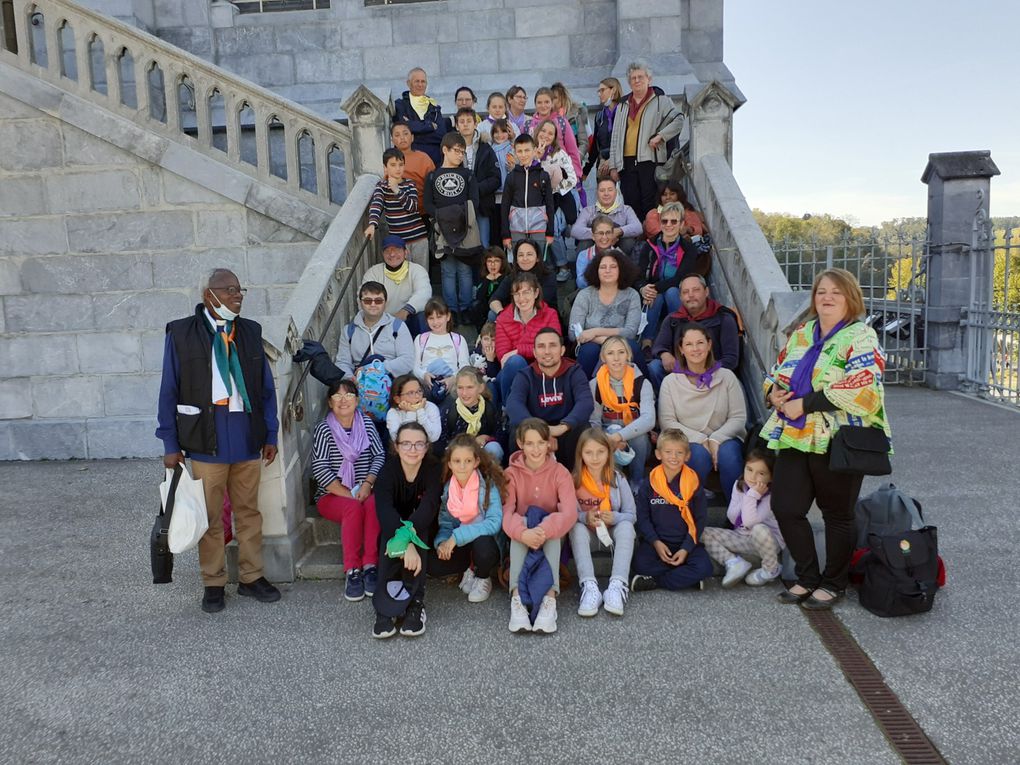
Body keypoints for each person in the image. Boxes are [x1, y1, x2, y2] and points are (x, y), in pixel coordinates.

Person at [763, 268, 890, 611]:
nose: (827, 298)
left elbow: (864, 388)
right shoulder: (802, 334)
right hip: (795, 433)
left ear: (851, 298)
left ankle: (834, 582)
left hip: (839, 436)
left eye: (836, 292)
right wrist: (772, 393)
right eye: (821, 291)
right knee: (786, 507)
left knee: (837, 513)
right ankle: (806, 577)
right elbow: (775, 372)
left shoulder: (861, 336)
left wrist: (805, 402)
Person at [156, 268, 281, 613]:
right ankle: (213, 582)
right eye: (228, 290)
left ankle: (251, 577)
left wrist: (270, 433)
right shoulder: (181, 333)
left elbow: (266, 390)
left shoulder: (250, 332)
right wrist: (170, 443)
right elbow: (168, 390)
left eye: (240, 289)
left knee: (249, 513)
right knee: (210, 517)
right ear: (208, 295)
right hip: (205, 440)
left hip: (245, 436)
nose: (236, 295)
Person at [310, 379, 385, 602]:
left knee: (372, 503)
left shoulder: (368, 425)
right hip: (332, 495)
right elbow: (319, 466)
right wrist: (348, 493)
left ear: (357, 401)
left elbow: (379, 456)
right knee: (353, 507)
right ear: (330, 403)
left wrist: (367, 484)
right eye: (337, 396)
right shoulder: (324, 428)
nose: (344, 400)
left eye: (349, 395)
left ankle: (370, 564)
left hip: (364, 489)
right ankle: (352, 570)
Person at [657, 324, 746, 503]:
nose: (695, 349)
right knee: (696, 455)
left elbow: (738, 417)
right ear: (681, 349)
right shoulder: (670, 382)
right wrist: (701, 439)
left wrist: (715, 439)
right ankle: (691, 514)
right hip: (688, 439)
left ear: (709, 344)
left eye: (700, 343)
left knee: (729, 456)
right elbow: (667, 422)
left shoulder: (727, 377)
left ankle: (737, 517)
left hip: (725, 437)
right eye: (689, 344)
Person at [503, 418, 576, 634]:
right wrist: (523, 532)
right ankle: (517, 601)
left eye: (540, 443)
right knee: (520, 527)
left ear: (549, 443)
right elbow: (507, 513)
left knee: (552, 529)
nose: (535, 449)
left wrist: (544, 529)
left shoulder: (560, 472)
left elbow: (569, 513)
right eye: (530, 443)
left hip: (551, 532)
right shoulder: (511, 473)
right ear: (520, 444)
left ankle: (549, 600)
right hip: (523, 531)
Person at [371, 422, 441, 638]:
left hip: (423, 527)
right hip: (394, 527)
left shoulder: (433, 469)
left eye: (419, 444)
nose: (413, 450)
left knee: (419, 532)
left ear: (427, 447)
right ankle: (385, 605)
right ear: (396, 446)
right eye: (407, 444)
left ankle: (416, 603)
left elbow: (428, 508)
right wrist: (404, 543)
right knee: (388, 534)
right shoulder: (387, 471)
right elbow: (385, 511)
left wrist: (409, 541)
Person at [630, 429, 713, 592]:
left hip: (685, 542)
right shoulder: (649, 484)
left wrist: (686, 548)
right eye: (668, 452)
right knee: (639, 563)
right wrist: (655, 541)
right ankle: (686, 579)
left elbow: (700, 519)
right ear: (658, 454)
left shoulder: (693, 483)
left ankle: (656, 582)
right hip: (657, 543)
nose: (673, 457)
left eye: (679, 452)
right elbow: (643, 517)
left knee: (705, 567)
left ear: (687, 456)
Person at [569, 428, 637, 617]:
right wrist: (584, 517)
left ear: (609, 452)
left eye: (600, 452)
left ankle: (617, 585)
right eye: (589, 452)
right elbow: (569, 514)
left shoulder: (618, 479)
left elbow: (632, 515)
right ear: (580, 454)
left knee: (626, 526)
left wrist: (615, 517)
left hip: (612, 537)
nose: (595, 458)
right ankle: (589, 587)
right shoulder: (574, 480)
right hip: (589, 537)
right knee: (575, 528)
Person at [505, 328, 594, 471]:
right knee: (517, 429)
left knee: (583, 428)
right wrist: (541, 433)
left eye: (552, 345)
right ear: (534, 352)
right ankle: (522, 479)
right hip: (535, 434)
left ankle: (574, 480)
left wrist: (562, 428)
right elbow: (513, 404)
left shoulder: (574, 371)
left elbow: (585, 402)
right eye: (541, 346)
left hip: (565, 431)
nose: (547, 351)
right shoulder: (525, 375)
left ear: (562, 350)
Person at [432, 434, 507, 603]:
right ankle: (468, 568)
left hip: (486, 543)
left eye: (468, 460)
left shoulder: (487, 486)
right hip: (463, 542)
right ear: (450, 464)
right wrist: (443, 541)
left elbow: (494, 523)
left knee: (482, 544)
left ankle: (483, 576)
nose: (463, 466)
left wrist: (456, 537)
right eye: (457, 461)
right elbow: (446, 522)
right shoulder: (448, 488)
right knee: (435, 565)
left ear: (476, 462)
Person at [606, 62, 684, 221]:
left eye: (640, 77)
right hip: (626, 163)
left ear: (649, 79)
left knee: (650, 203)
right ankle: (636, 240)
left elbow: (679, 119)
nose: (636, 81)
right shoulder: (622, 105)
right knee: (630, 203)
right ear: (629, 82)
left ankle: (650, 240)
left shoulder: (661, 101)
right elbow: (615, 137)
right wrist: (614, 165)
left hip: (650, 160)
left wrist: (661, 136)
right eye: (633, 78)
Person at [701, 449, 785, 588]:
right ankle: (734, 562)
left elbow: (749, 522)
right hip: (743, 537)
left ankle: (771, 569)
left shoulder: (771, 496)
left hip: (767, 542)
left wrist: (752, 495)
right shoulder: (739, 486)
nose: (753, 476)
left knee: (759, 529)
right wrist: (747, 495)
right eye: (749, 469)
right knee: (703, 532)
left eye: (761, 473)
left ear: (770, 477)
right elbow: (732, 517)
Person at [423, 132, 482, 323]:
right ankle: (451, 311)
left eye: (463, 152)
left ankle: (464, 309)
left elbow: (474, 199)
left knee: (465, 270)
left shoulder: (468, 174)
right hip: (442, 229)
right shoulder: (433, 176)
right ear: (445, 150)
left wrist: (461, 216)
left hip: (466, 226)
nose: (460, 155)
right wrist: (441, 218)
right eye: (456, 151)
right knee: (448, 271)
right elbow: (428, 203)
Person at [636, 201, 709, 347]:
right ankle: (647, 343)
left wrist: (653, 288)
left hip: (676, 294)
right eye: (665, 221)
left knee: (670, 292)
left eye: (674, 221)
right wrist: (643, 288)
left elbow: (680, 278)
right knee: (655, 296)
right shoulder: (649, 245)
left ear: (681, 224)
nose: (669, 225)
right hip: (653, 296)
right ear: (660, 223)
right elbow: (638, 275)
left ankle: (680, 337)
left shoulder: (688, 248)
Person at [648, 274, 740, 387]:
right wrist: (664, 354)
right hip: (680, 373)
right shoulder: (673, 319)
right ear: (680, 297)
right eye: (685, 292)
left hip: (713, 374)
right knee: (655, 367)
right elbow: (659, 346)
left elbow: (731, 359)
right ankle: (663, 401)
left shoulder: (724, 318)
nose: (690, 295)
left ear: (706, 292)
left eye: (696, 290)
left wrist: (702, 370)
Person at [587, 336, 655, 487]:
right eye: (610, 353)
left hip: (635, 436)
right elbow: (594, 421)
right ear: (603, 357)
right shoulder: (595, 385)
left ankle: (637, 481)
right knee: (603, 436)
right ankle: (613, 483)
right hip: (607, 433)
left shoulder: (642, 383)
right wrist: (606, 439)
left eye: (621, 352)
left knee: (640, 436)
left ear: (629, 355)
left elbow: (649, 419)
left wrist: (619, 436)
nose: (616, 358)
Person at [568, 248, 643, 376]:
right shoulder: (585, 295)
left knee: (631, 347)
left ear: (621, 270)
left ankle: (639, 390)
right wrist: (603, 340)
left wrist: (595, 332)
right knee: (589, 351)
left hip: (621, 342)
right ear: (596, 271)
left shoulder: (632, 295)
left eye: (613, 266)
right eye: (603, 267)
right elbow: (573, 332)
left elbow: (630, 332)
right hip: (591, 344)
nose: (607, 270)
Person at [493, 272, 561, 402]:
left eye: (526, 292)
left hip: (542, 367)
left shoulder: (550, 314)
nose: (521, 298)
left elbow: (553, 347)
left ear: (535, 293)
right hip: (513, 371)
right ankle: (509, 410)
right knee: (515, 362)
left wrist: (519, 350)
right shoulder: (503, 318)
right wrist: (525, 352)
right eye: (517, 294)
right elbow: (504, 356)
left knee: (516, 359)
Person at [363, 149, 429, 270]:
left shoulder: (410, 184)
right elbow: (376, 205)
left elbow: (412, 207)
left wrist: (396, 190)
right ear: (385, 167)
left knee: (421, 275)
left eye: (401, 164)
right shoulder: (381, 186)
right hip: (399, 242)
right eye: (393, 165)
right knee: (403, 276)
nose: (398, 168)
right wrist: (372, 224)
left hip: (418, 238)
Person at [335, 281, 414, 380]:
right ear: (360, 303)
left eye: (378, 301)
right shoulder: (348, 331)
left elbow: (407, 361)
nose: (373, 304)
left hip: (391, 380)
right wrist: (352, 379)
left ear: (385, 302)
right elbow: (343, 362)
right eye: (368, 301)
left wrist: (374, 369)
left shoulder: (398, 326)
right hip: (359, 382)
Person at [534, 118, 579, 283]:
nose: (545, 135)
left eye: (550, 133)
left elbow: (572, 178)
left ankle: (563, 265)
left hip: (558, 197)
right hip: (536, 200)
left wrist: (555, 189)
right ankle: (546, 265)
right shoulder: (530, 151)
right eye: (543, 131)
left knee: (556, 230)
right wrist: (536, 158)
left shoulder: (559, 153)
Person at [360, 234, 431, 328]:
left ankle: (421, 342)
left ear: (405, 253)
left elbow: (424, 293)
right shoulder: (373, 272)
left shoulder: (417, 270)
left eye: (397, 250)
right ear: (382, 254)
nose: (392, 254)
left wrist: (405, 311)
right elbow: (363, 297)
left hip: (408, 318)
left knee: (422, 315)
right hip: (381, 321)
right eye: (387, 251)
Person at [436, 366, 504, 462]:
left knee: (494, 449)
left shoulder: (489, 408)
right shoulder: (449, 410)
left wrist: (487, 438)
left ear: (480, 388)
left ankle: (489, 476)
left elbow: (500, 435)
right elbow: (441, 443)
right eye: (460, 388)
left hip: (482, 455)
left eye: (470, 387)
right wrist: (468, 444)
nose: (464, 393)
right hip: (458, 458)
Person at [455, 107, 501, 248]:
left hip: (482, 206)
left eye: (469, 121)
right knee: (464, 246)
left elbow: (496, 178)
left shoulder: (485, 148)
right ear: (457, 126)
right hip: (459, 207)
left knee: (484, 244)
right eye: (461, 121)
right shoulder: (451, 148)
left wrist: (475, 189)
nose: (465, 124)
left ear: (476, 124)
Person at [500, 133, 555, 249]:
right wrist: (506, 235)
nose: (523, 155)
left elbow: (550, 205)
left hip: (539, 228)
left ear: (534, 151)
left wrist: (550, 232)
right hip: (516, 228)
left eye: (527, 150)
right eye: (519, 151)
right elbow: (504, 206)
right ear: (515, 152)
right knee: (518, 261)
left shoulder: (543, 175)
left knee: (538, 261)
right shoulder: (511, 177)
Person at [525, 87, 583, 193]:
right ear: (535, 104)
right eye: (539, 102)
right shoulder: (528, 125)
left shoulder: (561, 121)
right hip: (537, 177)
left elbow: (573, 150)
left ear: (552, 103)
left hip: (561, 176)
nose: (543, 106)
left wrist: (576, 174)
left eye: (547, 102)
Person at [413, 297, 469, 402]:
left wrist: (453, 379)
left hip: (452, 385)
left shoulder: (458, 339)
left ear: (448, 316)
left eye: (439, 317)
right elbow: (415, 367)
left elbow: (464, 367)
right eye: (431, 318)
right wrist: (424, 375)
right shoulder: (420, 339)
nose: (435, 322)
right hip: (426, 386)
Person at [570, 178, 642, 256]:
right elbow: (575, 230)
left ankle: (625, 267)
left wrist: (619, 231)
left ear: (616, 192)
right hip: (595, 249)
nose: (606, 193)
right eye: (602, 190)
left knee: (628, 242)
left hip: (619, 249)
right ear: (597, 193)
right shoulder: (588, 211)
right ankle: (587, 267)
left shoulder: (626, 209)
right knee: (584, 243)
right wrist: (600, 234)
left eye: (610, 190)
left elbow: (638, 228)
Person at [392, 67, 448, 166]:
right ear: (408, 83)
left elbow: (441, 135)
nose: (420, 85)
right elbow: (402, 129)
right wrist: (429, 126)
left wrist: (415, 132)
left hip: (434, 160)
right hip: (409, 161)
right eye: (417, 81)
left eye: (423, 82)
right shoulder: (400, 105)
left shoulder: (434, 107)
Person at [489, 239, 558, 316]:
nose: (525, 258)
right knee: (492, 314)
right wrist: (502, 314)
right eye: (521, 255)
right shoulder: (512, 276)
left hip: (542, 315)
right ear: (516, 259)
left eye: (529, 254)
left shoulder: (548, 275)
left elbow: (540, 302)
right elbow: (494, 299)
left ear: (537, 258)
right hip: (516, 314)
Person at [582, 77, 623, 182]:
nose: (599, 94)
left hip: (621, 166)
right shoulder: (599, 116)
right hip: (602, 167)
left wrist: (612, 160)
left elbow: (627, 141)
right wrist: (585, 172)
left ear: (613, 90)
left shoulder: (625, 112)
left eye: (602, 90)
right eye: (598, 91)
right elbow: (595, 147)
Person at [390, 122, 435, 212]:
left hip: (422, 211)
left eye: (405, 134)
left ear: (412, 137)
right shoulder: (389, 160)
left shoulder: (423, 158)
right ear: (392, 140)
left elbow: (433, 185)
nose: (402, 138)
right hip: (397, 212)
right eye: (397, 135)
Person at [385, 373, 442, 444]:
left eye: (419, 391)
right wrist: (411, 413)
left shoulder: (430, 407)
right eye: (411, 393)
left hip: (429, 450)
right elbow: (400, 440)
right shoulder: (393, 413)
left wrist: (420, 412)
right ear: (397, 399)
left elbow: (433, 437)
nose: (417, 396)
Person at [551, 81, 589, 179]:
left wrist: (575, 159)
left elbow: (583, 142)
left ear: (563, 97)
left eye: (555, 97)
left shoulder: (576, 113)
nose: (552, 101)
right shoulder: (549, 117)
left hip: (573, 165)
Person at [574, 215, 617, 289]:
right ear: (593, 236)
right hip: (589, 292)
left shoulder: (619, 255)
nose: (604, 237)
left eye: (608, 233)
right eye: (600, 233)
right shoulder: (584, 255)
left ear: (613, 235)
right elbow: (580, 282)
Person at [471, 246, 509, 327]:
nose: (493, 265)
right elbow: (479, 297)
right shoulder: (483, 275)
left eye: (496, 261)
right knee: (475, 306)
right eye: (489, 261)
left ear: (502, 262)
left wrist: (499, 279)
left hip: (501, 307)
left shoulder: (507, 277)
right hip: (485, 307)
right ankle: (481, 333)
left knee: (492, 312)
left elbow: (504, 297)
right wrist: (487, 280)